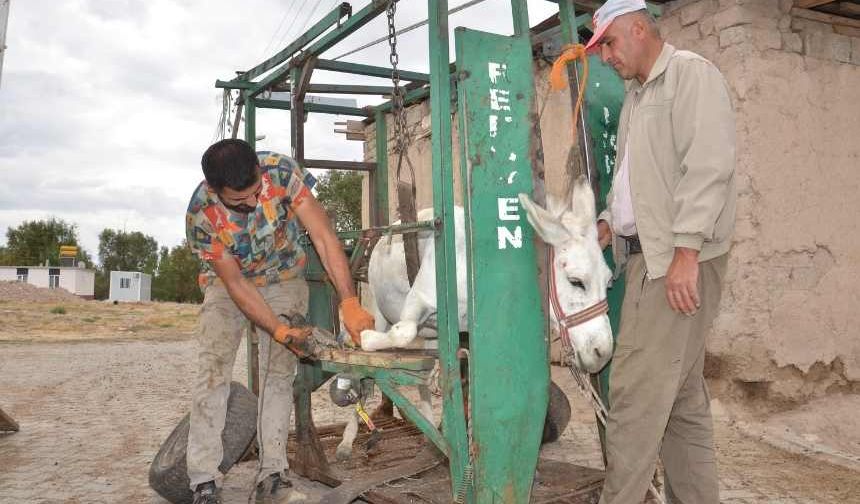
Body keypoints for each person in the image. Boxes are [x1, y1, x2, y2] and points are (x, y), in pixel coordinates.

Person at [584, 1, 737, 502]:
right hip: (649, 257)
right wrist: (608, 223)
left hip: (673, 261)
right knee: (681, 400)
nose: (604, 55)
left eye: (608, 42)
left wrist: (686, 252)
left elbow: (709, 166)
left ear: (639, 28)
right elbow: (634, 183)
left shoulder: (691, 76)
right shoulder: (637, 97)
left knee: (634, 399)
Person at [184, 139, 375, 504]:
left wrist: (348, 300)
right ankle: (204, 481)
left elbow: (322, 235)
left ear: (259, 169)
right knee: (212, 372)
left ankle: (272, 476)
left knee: (279, 375)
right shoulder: (200, 215)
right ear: (215, 190)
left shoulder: (282, 172)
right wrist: (278, 328)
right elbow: (236, 284)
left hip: (284, 278)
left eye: (256, 192)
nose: (253, 203)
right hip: (228, 285)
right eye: (239, 201)